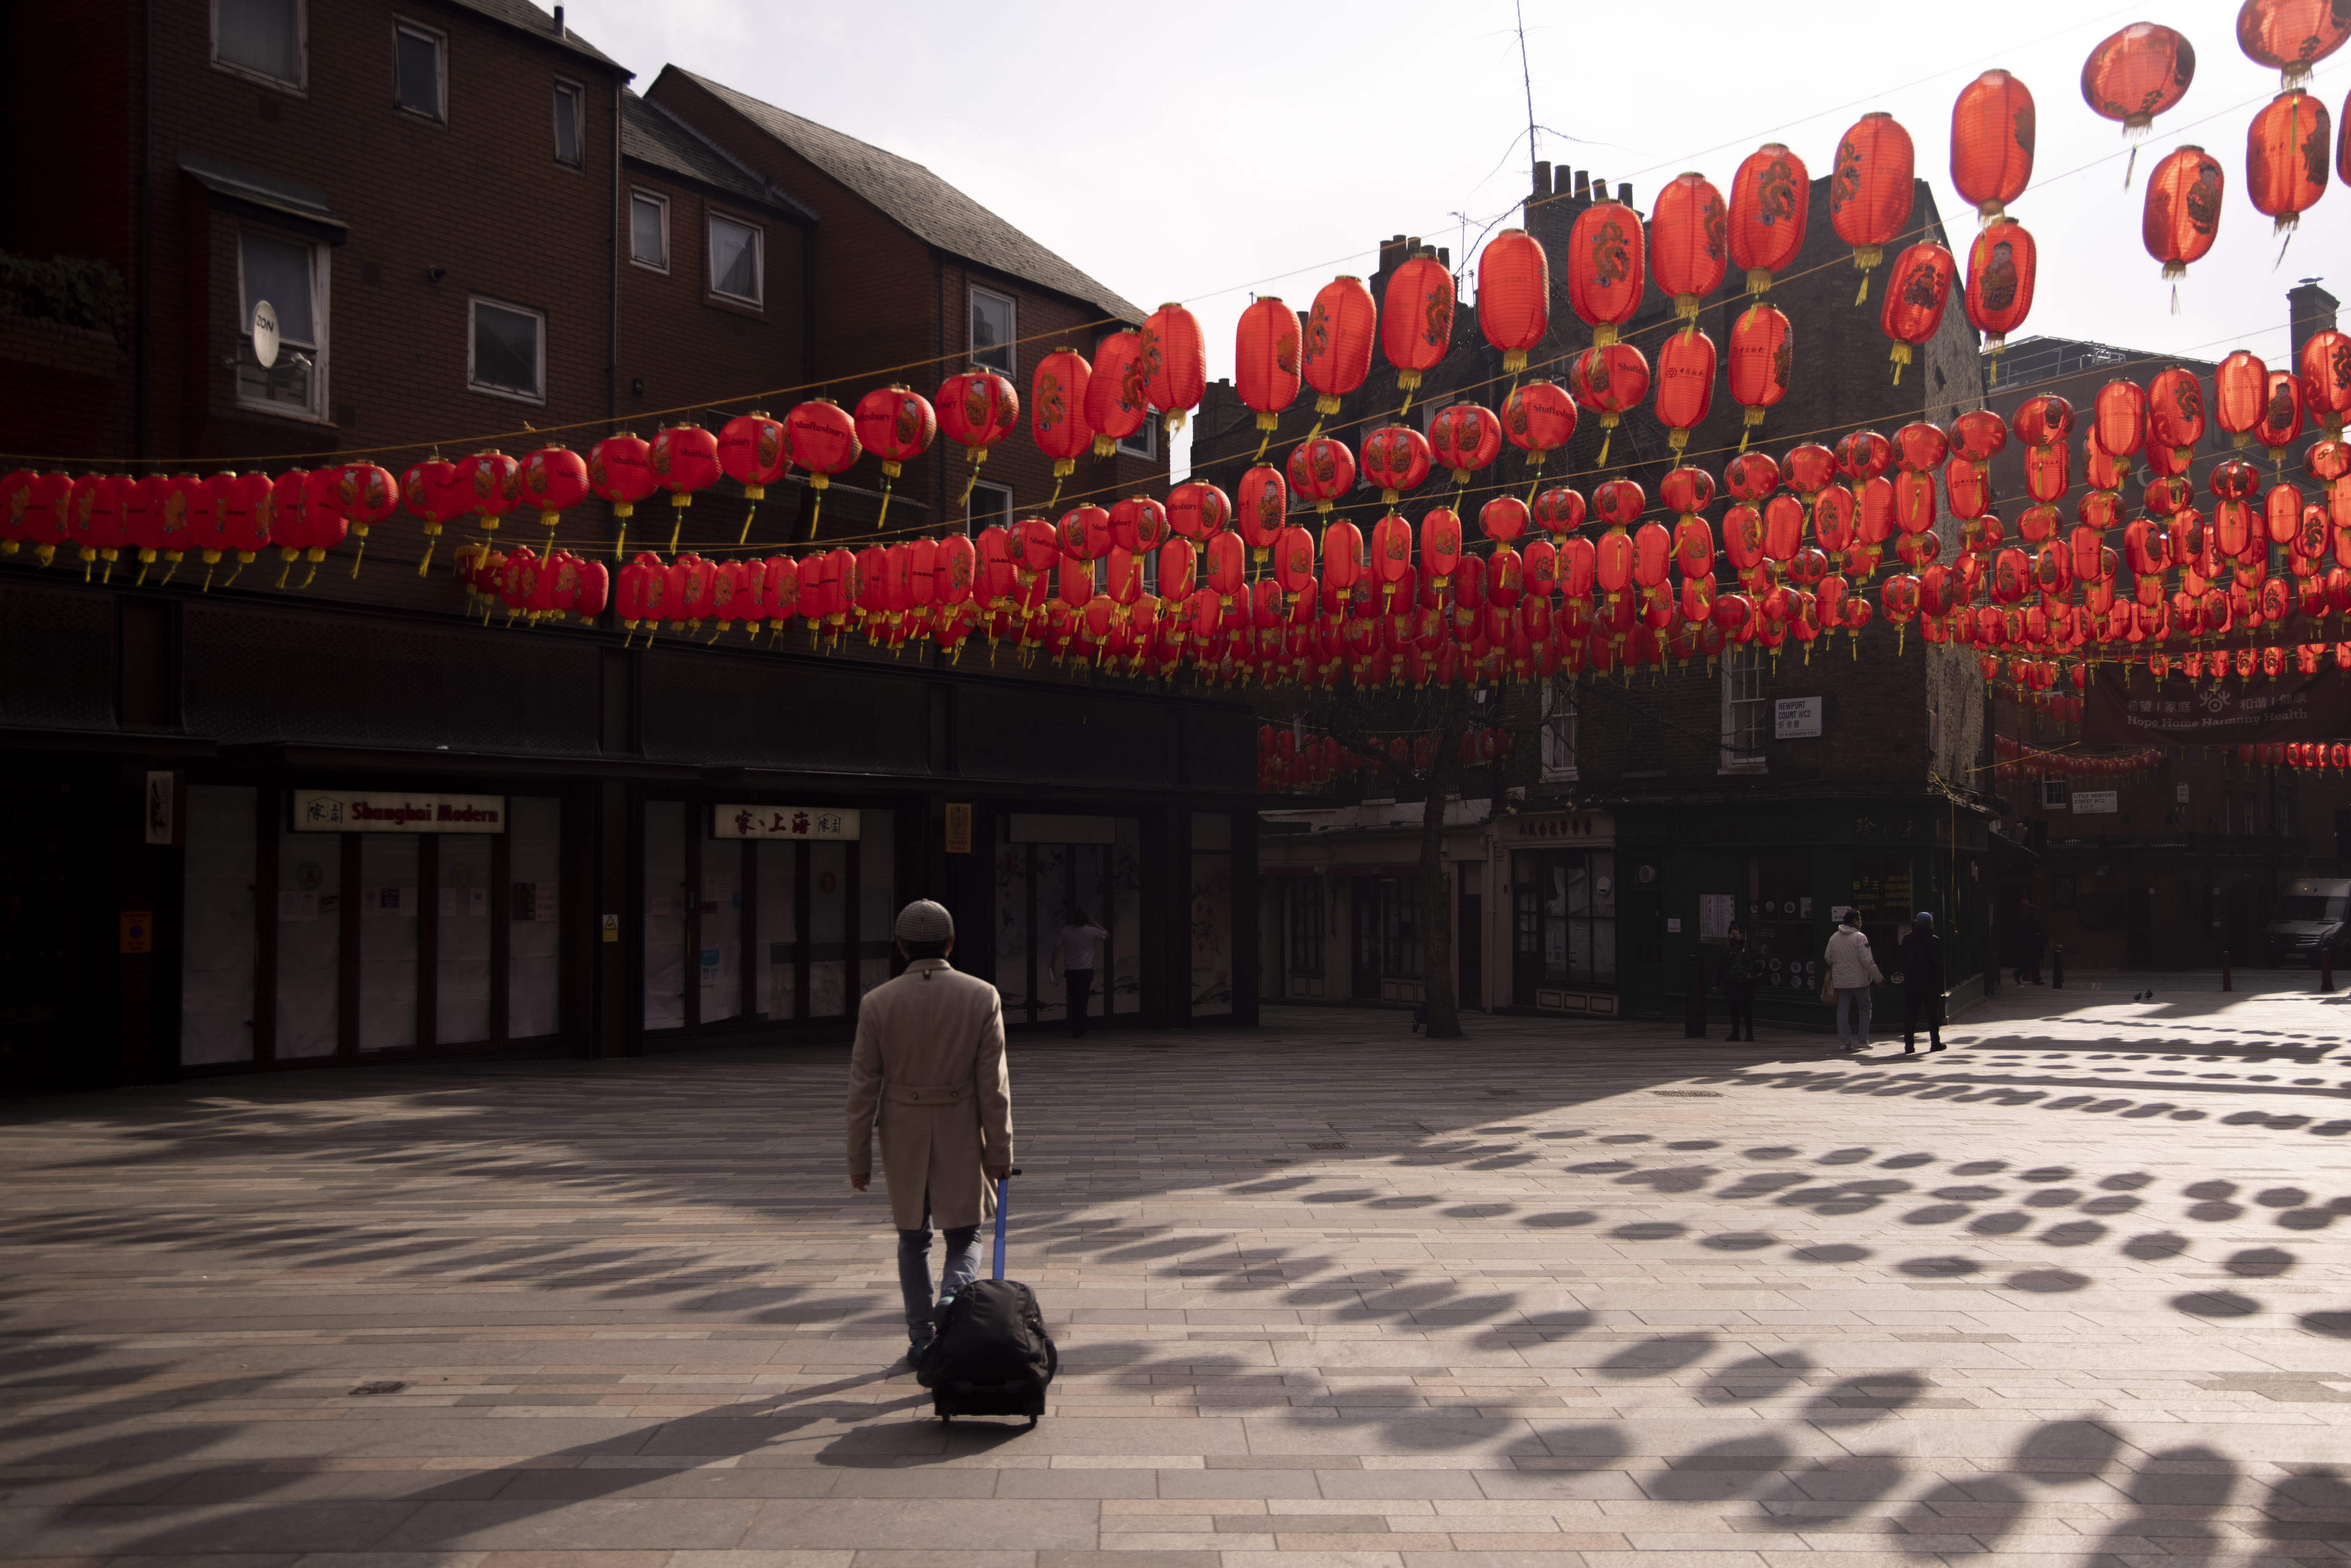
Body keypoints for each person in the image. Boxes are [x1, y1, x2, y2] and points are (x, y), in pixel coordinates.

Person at [845, 899, 1013, 1364]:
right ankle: (954, 1299)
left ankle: (920, 1337)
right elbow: (993, 1085)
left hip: (902, 1130)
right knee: (965, 1235)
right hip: (960, 1126)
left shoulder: (877, 1002)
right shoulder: (982, 995)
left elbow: (863, 1088)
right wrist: (999, 1150)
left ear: (899, 947)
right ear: (951, 942)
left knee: (912, 1238)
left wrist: (858, 1158)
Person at [1823, 906, 1883, 1053]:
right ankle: (1863, 1040)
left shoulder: (1834, 937)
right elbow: (1868, 961)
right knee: (1864, 1007)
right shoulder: (1860, 937)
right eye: (1860, 919)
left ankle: (1845, 1042)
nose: (1861, 922)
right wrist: (1878, 978)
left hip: (1841, 980)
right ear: (1855, 921)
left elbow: (1828, 958)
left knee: (1842, 1010)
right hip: (1860, 980)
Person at [1046, 911, 1109, 1037]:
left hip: (1071, 972)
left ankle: (1078, 1027)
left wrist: (1052, 964)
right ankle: (1082, 1027)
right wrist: (1095, 923)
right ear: (1087, 920)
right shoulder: (1092, 931)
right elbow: (1106, 935)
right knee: (1083, 999)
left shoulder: (1066, 930)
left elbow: (1057, 948)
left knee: (1074, 1000)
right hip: (1085, 972)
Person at [1898, 910, 1945, 1054]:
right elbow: (1937, 965)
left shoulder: (1907, 939)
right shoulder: (1934, 940)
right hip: (1930, 983)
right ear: (1930, 924)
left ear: (1917, 923)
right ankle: (1935, 1043)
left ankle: (1909, 1044)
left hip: (1912, 982)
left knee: (1911, 1013)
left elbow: (1902, 960)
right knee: (1932, 1014)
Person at [1718, 925, 1759, 1041]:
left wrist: (1740, 938)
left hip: (1742, 984)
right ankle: (1740, 1034)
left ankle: (1746, 1034)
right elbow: (1721, 969)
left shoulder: (1743, 950)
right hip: (1736, 985)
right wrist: (1715, 983)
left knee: (1743, 1010)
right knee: (1737, 1011)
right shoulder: (1727, 953)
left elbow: (1747, 949)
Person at [2016, 901, 2045, 985]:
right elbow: (2019, 932)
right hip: (2027, 944)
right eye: (2035, 910)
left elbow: (2040, 931)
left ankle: (2017, 974)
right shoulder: (2024, 920)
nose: (2036, 912)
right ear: (2030, 910)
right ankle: (2037, 979)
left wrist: (2046, 939)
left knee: (2030, 962)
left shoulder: (2035, 920)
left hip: (2033, 944)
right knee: (2034, 961)